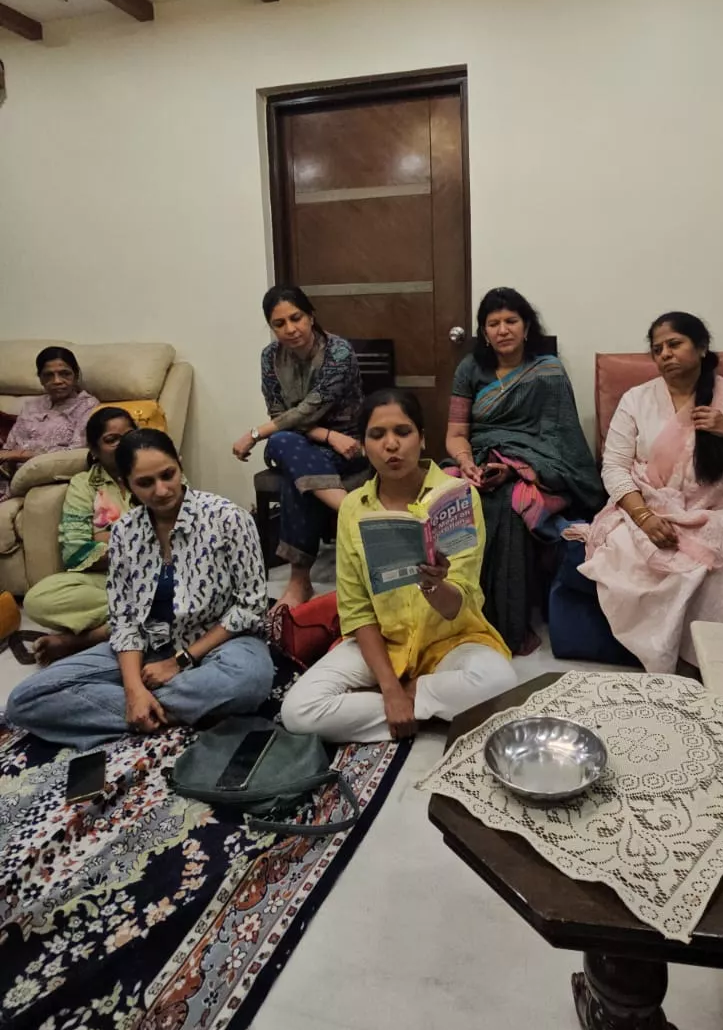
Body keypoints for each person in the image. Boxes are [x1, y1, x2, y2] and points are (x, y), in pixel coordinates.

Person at [5, 429, 274, 750]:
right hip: (148, 646)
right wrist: (133, 689)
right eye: (145, 482)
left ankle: (140, 711)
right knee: (25, 700)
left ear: (180, 465)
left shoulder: (228, 518)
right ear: (126, 483)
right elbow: (125, 620)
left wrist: (178, 662)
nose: (161, 490)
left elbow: (250, 606)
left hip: (220, 642)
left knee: (250, 679)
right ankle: (159, 708)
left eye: (168, 475)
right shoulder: (125, 532)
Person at [282, 389, 516, 742]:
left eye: (402, 432)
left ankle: (410, 702)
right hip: (382, 643)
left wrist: (435, 584)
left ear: (422, 438)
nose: (391, 444)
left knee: (500, 682)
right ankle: (419, 708)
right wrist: (390, 689)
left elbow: (460, 603)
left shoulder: (457, 496)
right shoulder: (353, 508)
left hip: (450, 641)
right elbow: (357, 610)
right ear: (364, 446)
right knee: (298, 711)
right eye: (377, 435)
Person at [573, 312, 723, 677]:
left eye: (674, 344)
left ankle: (711, 667)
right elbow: (614, 468)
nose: (665, 354)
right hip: (650, 506)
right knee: (626, 552)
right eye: (657, 349)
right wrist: (644, 518)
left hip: (722, 509)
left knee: (718, 566)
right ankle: (662, 665)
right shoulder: (636, 399)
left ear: (701, 347)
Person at [445, 288, 602, 654]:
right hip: (477, 459)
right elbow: (455, 434)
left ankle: (506, 623)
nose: (503, 330)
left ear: (526, 327)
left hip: (535, 467)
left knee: (508, 506)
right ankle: (454, 616)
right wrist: (467, 463)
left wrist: (518, 468)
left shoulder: (548, 371)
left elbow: (560, 438)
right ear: (484, 332)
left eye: (511, 321)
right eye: (493, 323)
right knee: (449, 499)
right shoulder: (470, 368)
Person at [232, 285, 364, 610]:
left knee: (293, 469)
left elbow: (308, 409)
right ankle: (352, 509)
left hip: (347, 446)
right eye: (279, 323)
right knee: (284, 441)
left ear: (310, 316)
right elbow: (280, 414)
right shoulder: (270, 357)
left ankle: (298, 580)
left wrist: (255, 434)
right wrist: (327, 436)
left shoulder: (338, 353)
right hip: (303, 441)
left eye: (296, 318)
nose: (291, 329)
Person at [24, 406, 136, 665]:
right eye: (112, 439)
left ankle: (92, 638)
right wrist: (140, 543)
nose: (123, 444)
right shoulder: (84, 485)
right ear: (94, 450)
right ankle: (145, 616)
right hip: (108, 578)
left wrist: (104, 537)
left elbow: (177, 535)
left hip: (162, 572)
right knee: (38, 599)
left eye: (129, 435)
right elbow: (75, 552)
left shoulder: (158, 468)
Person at [0, 347, 99, 500]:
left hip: (46, 475)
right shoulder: (31, 405)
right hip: (10, 474)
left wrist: (19, 455)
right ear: (40, 379)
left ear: (76, 375)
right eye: (48, 375)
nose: (57, 381)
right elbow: (10, 446)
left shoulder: (88, 406)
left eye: (65, 374)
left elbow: (77, 453)